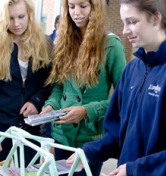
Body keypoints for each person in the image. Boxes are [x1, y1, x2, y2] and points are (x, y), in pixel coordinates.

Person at [67, 0, 166, 175]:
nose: (125, 30)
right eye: (124, 22)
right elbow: (117, 131)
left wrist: (135, 170)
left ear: (155, 19)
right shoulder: (132, 70)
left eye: (132, 22)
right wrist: (90, 151)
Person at [41, 0, 126, 175]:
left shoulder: (112, 45)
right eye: (71, 7)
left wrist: (87, 110)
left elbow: (124, 99)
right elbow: (59, 88)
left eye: (83, 6)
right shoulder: (63, 41)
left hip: (89, 140)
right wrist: (51, 106)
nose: (76, 12)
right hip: (60, 136)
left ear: (95, 8)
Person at [0, 0, 52, 166]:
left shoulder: (44, 44)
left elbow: (50, 83)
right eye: (10, 18)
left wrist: (36, 101)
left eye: (21, 16)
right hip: (0, 128)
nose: (16, 23)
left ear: (30, 15)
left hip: (31, 129)